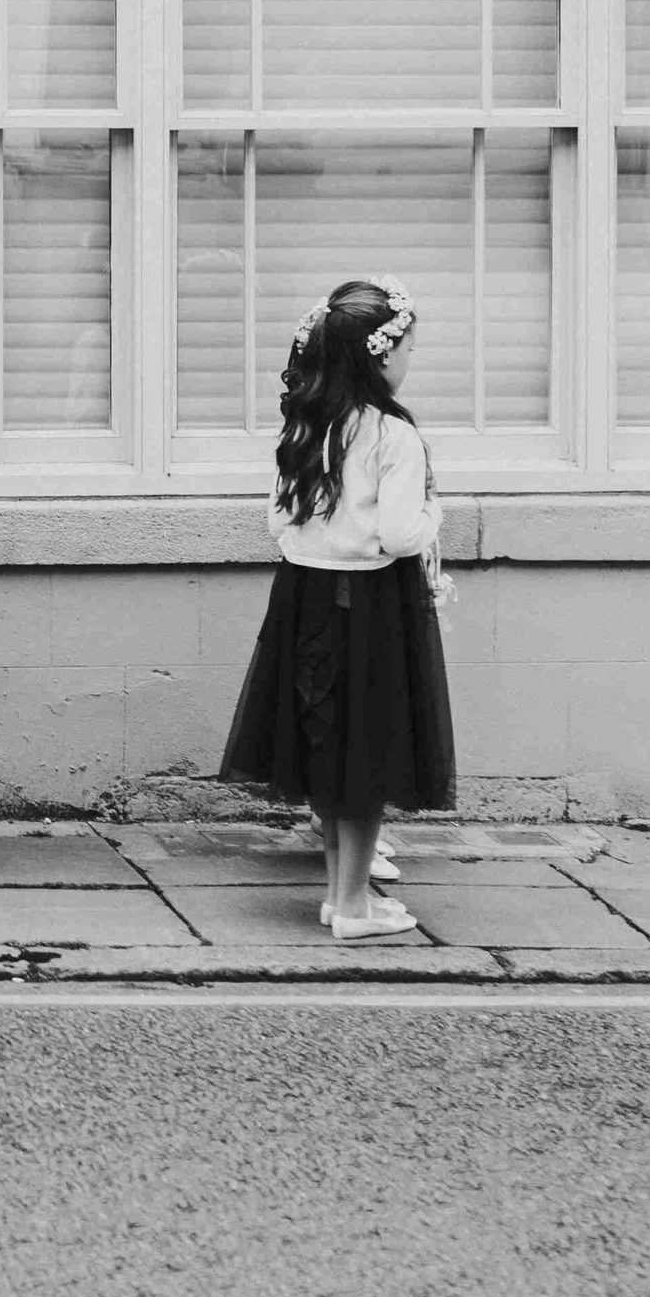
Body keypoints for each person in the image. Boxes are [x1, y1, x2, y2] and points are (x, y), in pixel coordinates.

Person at [219, 277, 455, 940]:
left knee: (327, 752)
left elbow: (277, 521)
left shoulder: (307, 425)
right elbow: (404, 535)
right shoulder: (393, 437)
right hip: (371, 606)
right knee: (370, 757)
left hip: (303, 599)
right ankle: (354, 906)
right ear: (380, 357)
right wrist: (437, 513)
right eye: (407, 349)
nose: (410, 362)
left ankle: (339, 895)